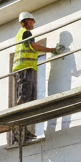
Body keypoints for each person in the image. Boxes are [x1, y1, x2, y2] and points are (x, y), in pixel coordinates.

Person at [11, 11, 64, 143]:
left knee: (26, 100)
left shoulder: (20, 34)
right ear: (24, 22)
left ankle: (23, 131)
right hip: (24, 68)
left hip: (24, 69)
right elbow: (34, 46)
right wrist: (52, 50)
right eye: (31, 21)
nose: (33, 23)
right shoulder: (25, 33)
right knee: (23, 100)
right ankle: (18, 132)